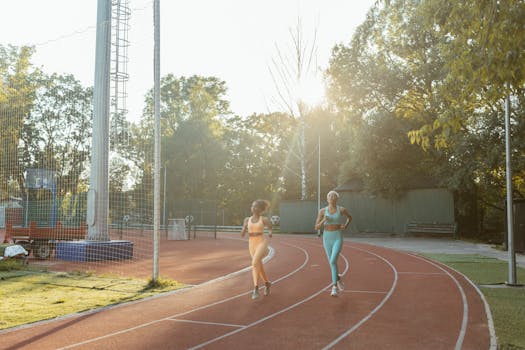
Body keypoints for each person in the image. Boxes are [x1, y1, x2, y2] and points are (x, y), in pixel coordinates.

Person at [315, 190, 352, 297]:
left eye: (334, 196)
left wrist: (346, 225)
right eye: (330, 196)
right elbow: (316, 227)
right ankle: (338, 278)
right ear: (327, 199)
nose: (332, 197)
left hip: (337, 237)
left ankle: (334, 287)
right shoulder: (322, 211)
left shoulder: (341, 209)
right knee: (332, 263)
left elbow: (350, 217)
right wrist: (323, 221)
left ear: (337, 199)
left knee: (332, 261)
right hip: (327, 238)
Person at [241, 199, 273, 300]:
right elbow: (242, 235)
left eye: (256, 206)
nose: (253, 208)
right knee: (258, 265)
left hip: (262, 242)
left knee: (254, 263)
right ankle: (267, 283)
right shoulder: (247, 219)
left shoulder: (264, 219)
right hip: (252, 243)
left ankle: (255, 288)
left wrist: (270, 232)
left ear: (260, 209)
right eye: (252, 206)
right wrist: (245, 227)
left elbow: (270, 228)